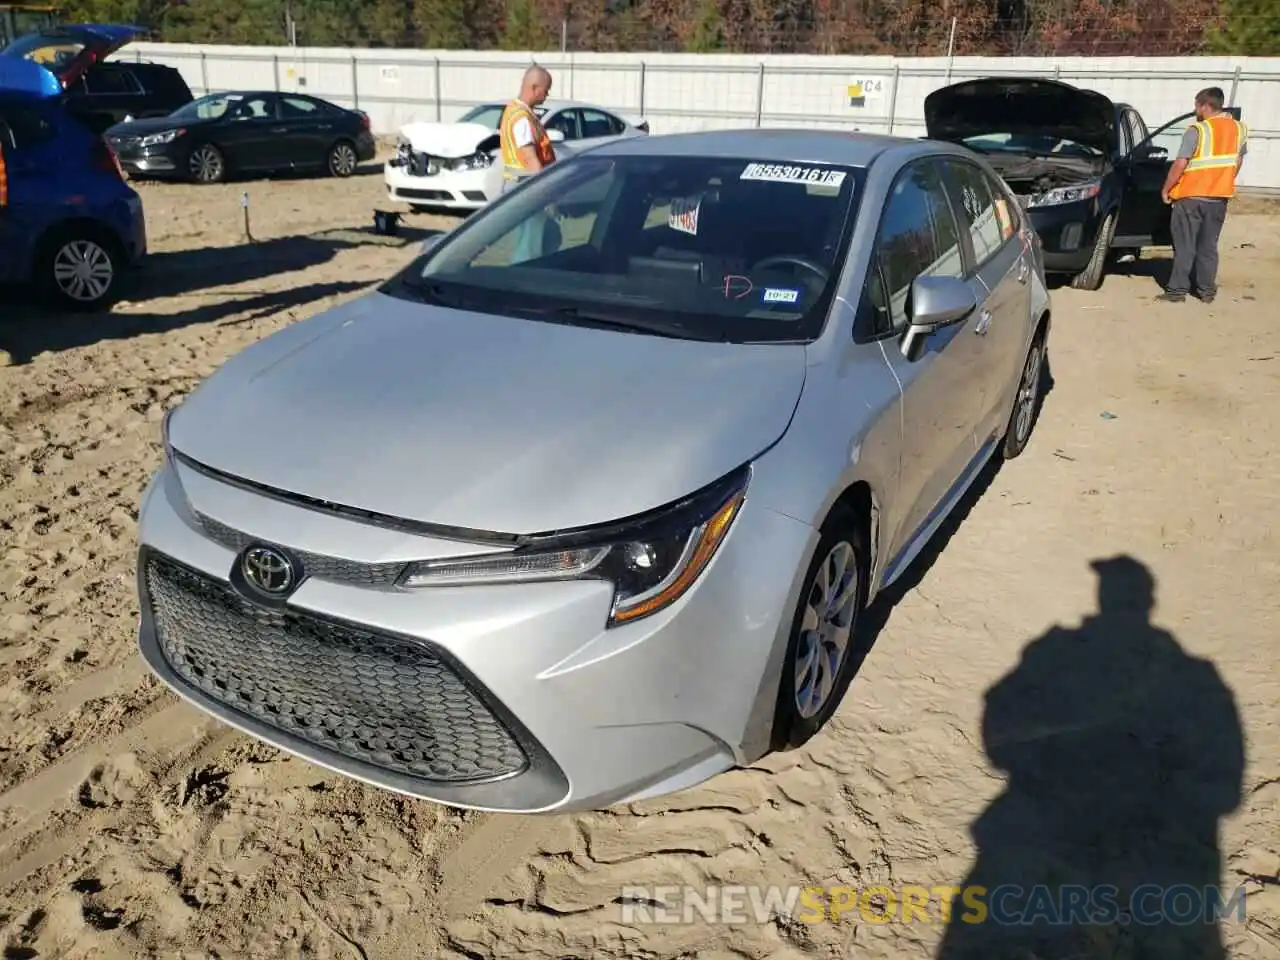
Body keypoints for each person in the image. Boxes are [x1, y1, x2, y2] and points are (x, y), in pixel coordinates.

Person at [1156, 86, 1248, 304]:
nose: (1196, 110)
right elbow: (1237, 161)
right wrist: (1224, 180)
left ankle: (1177, 291)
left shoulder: (1197, 130)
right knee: (1208, 246)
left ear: (1205, 106)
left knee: (1185, 246)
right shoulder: (1239, 129)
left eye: (1197, 105)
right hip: (1218, 199)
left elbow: (1180, 163)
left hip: (1190, 197)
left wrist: (1166, 188)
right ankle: (1206, 291)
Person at [498, 65, 559, 264]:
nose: (547, 94)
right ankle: (523, 279)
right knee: (530, 246)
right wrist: (546, 193)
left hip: (522, 186)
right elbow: (531, 158)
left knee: (541, 239)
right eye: (546, 90)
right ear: (534, 87)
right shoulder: (522, 119)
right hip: (527, 187)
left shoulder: (515, 112)